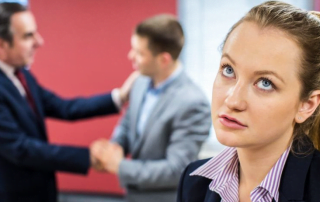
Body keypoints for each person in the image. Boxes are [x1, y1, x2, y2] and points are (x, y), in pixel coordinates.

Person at [177, 1, 320, 202]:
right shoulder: (193, 182)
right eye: (228, 70)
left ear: (307, 105)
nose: (232, 100)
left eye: (265, 83)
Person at [0, 2, 139, 202]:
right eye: (28, 36)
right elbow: (21, 149)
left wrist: (120, 96)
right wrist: (87, 157)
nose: (40, 41)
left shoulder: (22, 76)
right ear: (2, 43)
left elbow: (65, 108)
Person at [91, 14, 211, 202]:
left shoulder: (193, 102)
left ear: (164, 59)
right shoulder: (139, 82)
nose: (131, 56)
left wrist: (120, 167)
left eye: (139, 53)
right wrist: (113, 147)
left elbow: (176, 169)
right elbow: (128, 123)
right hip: (132, 196)